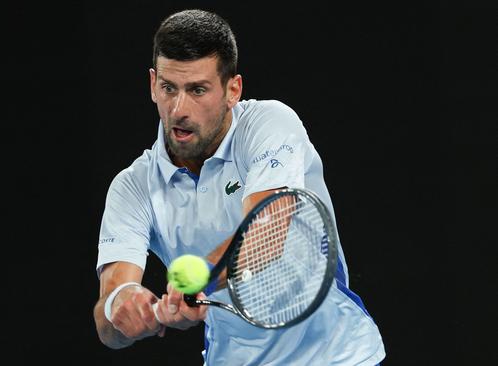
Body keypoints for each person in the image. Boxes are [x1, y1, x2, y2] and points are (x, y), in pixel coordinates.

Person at [93, 8, 385, 365]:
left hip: (338, 354)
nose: (179, 109)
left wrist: (199, 280)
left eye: (198, 90)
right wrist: (124, 306)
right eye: (169, 88)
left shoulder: (269, 124)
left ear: (233, 90)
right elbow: (108, 314)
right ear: (153, 84)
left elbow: (267, 232)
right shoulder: (132, 187)